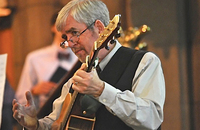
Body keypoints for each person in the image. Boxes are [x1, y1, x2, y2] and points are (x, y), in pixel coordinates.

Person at [12, 0, 165, 130]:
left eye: (75, 33)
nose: (70, 43)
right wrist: (35, 125)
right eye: (66, 37)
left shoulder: (144, 61)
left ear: (99, 28)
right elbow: (57, 123)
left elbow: (151, 119)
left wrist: (101, 91)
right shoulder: (78, 75)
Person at [15, 12, 78, 110]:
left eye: (72, 27)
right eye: (63, 25)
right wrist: (35, 91)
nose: (67, 30)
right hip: (45, 116)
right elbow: (20, 99)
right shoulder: (35, 58)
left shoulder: (81, 57)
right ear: (53, 27)